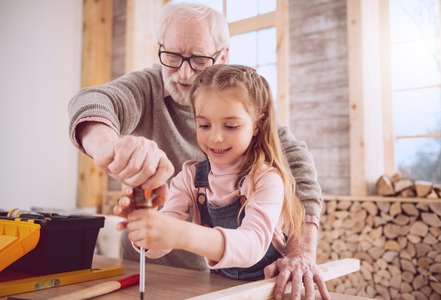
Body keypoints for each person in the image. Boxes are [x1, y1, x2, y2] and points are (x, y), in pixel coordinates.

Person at [68, 2, 329, 299]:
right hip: (151, 273)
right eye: (173, 56)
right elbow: (91, 100)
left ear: (223, 56)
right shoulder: (190, 173)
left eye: (199, 59)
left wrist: (302, 251)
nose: (184, 72)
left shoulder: (263, 168)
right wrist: (145, 219)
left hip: (215, 280)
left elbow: (295, 173)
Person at [122, 64, 305, 281]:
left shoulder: (266, 180)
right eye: (204, 125)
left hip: (270, 288)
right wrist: (144, 227)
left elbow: (251, 245)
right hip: (221, 286)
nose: (215, 138)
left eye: (230, 126)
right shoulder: (190, 177)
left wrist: (181, 233)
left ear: (258, 124)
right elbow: (163, 236)